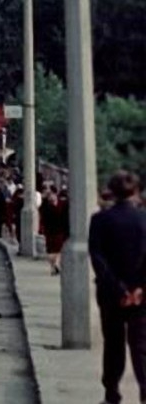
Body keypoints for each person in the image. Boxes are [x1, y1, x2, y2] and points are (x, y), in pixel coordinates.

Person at [89, 170, 146, 404]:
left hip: (110, 294)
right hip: (141, 296)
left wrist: (119, 289)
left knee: (113, 344)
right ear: (135, 191)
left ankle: (112, 393)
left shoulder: (100, 220)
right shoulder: (144, 220)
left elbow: (98, 258)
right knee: (141, 344)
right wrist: (138, 288)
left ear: (111, 192)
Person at [38, 184, 68, 275]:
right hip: (50, 230)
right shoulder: (45, 206)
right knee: (51, 250)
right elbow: (42, 218)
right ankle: (54, 266)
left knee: (58, 249)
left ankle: (55, 265)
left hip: (60, 230)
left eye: (51, 194)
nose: (50, 197)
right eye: (48, 195)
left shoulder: (63, 204)